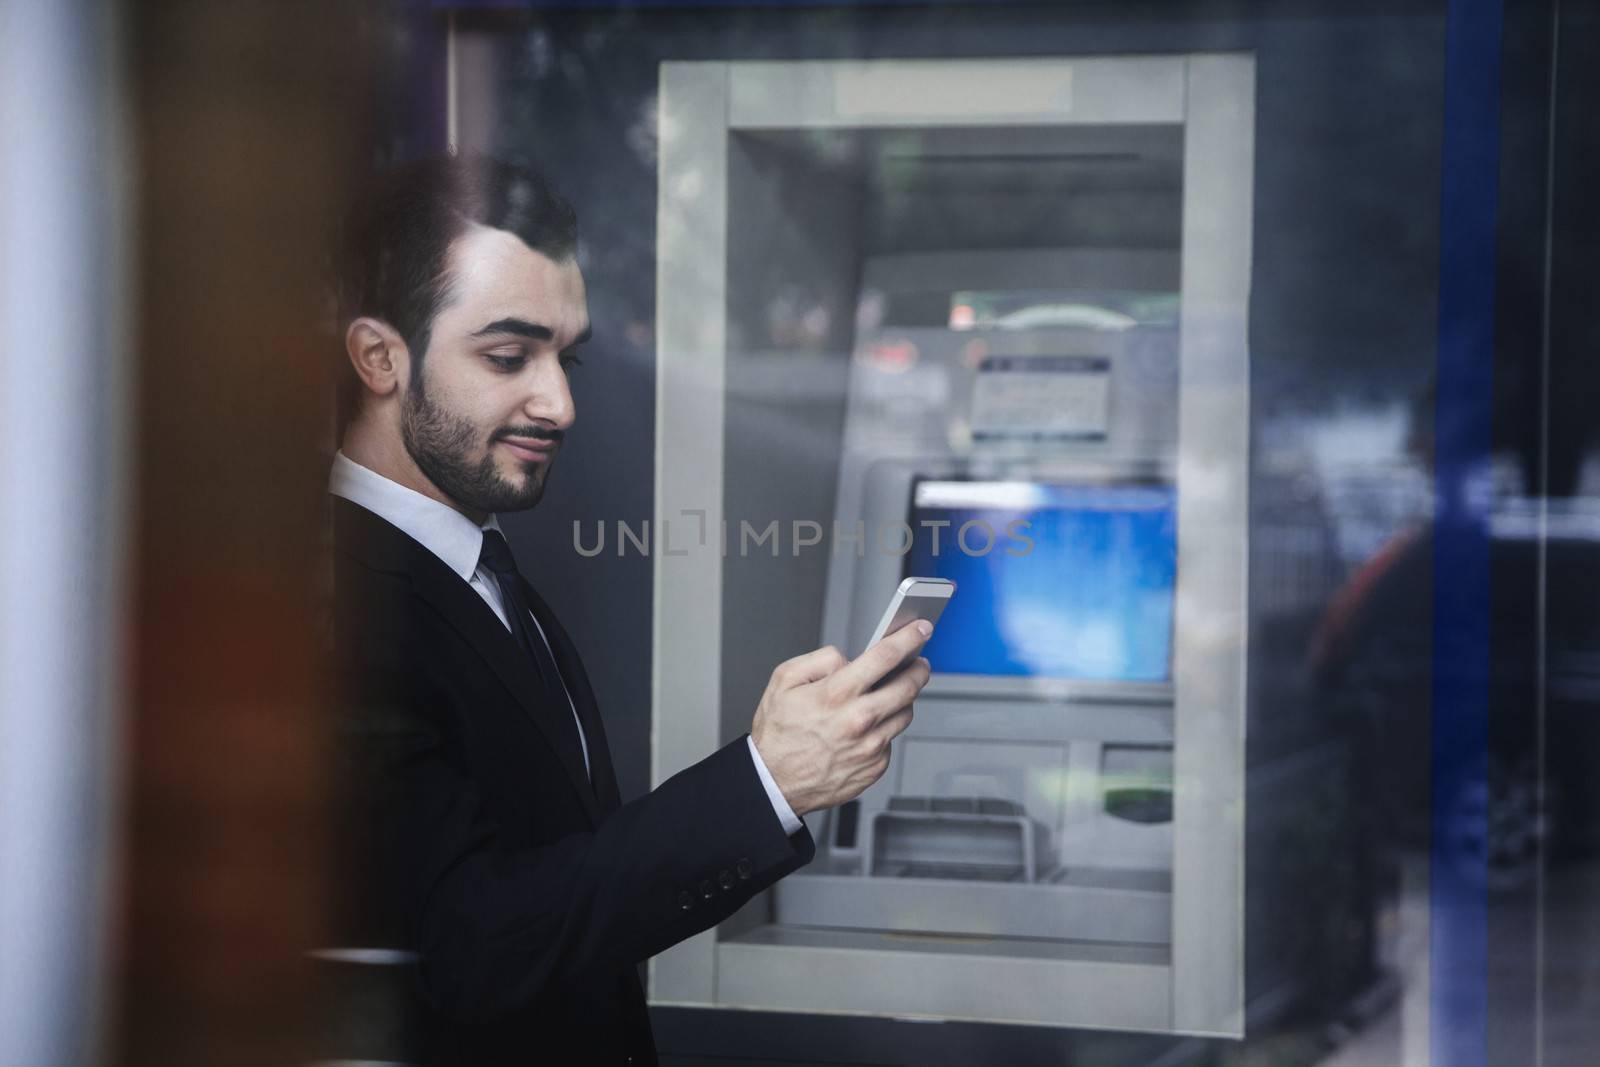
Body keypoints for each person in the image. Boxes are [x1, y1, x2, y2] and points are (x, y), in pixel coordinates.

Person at [324, 154, 932, 1065]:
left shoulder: (474, 563)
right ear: (380, 357)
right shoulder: (336, 605)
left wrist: (770, 782)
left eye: (564, 357)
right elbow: (478, 944)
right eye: (507, 356)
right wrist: (767, 783)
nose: (561, 402)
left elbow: (564, 899)